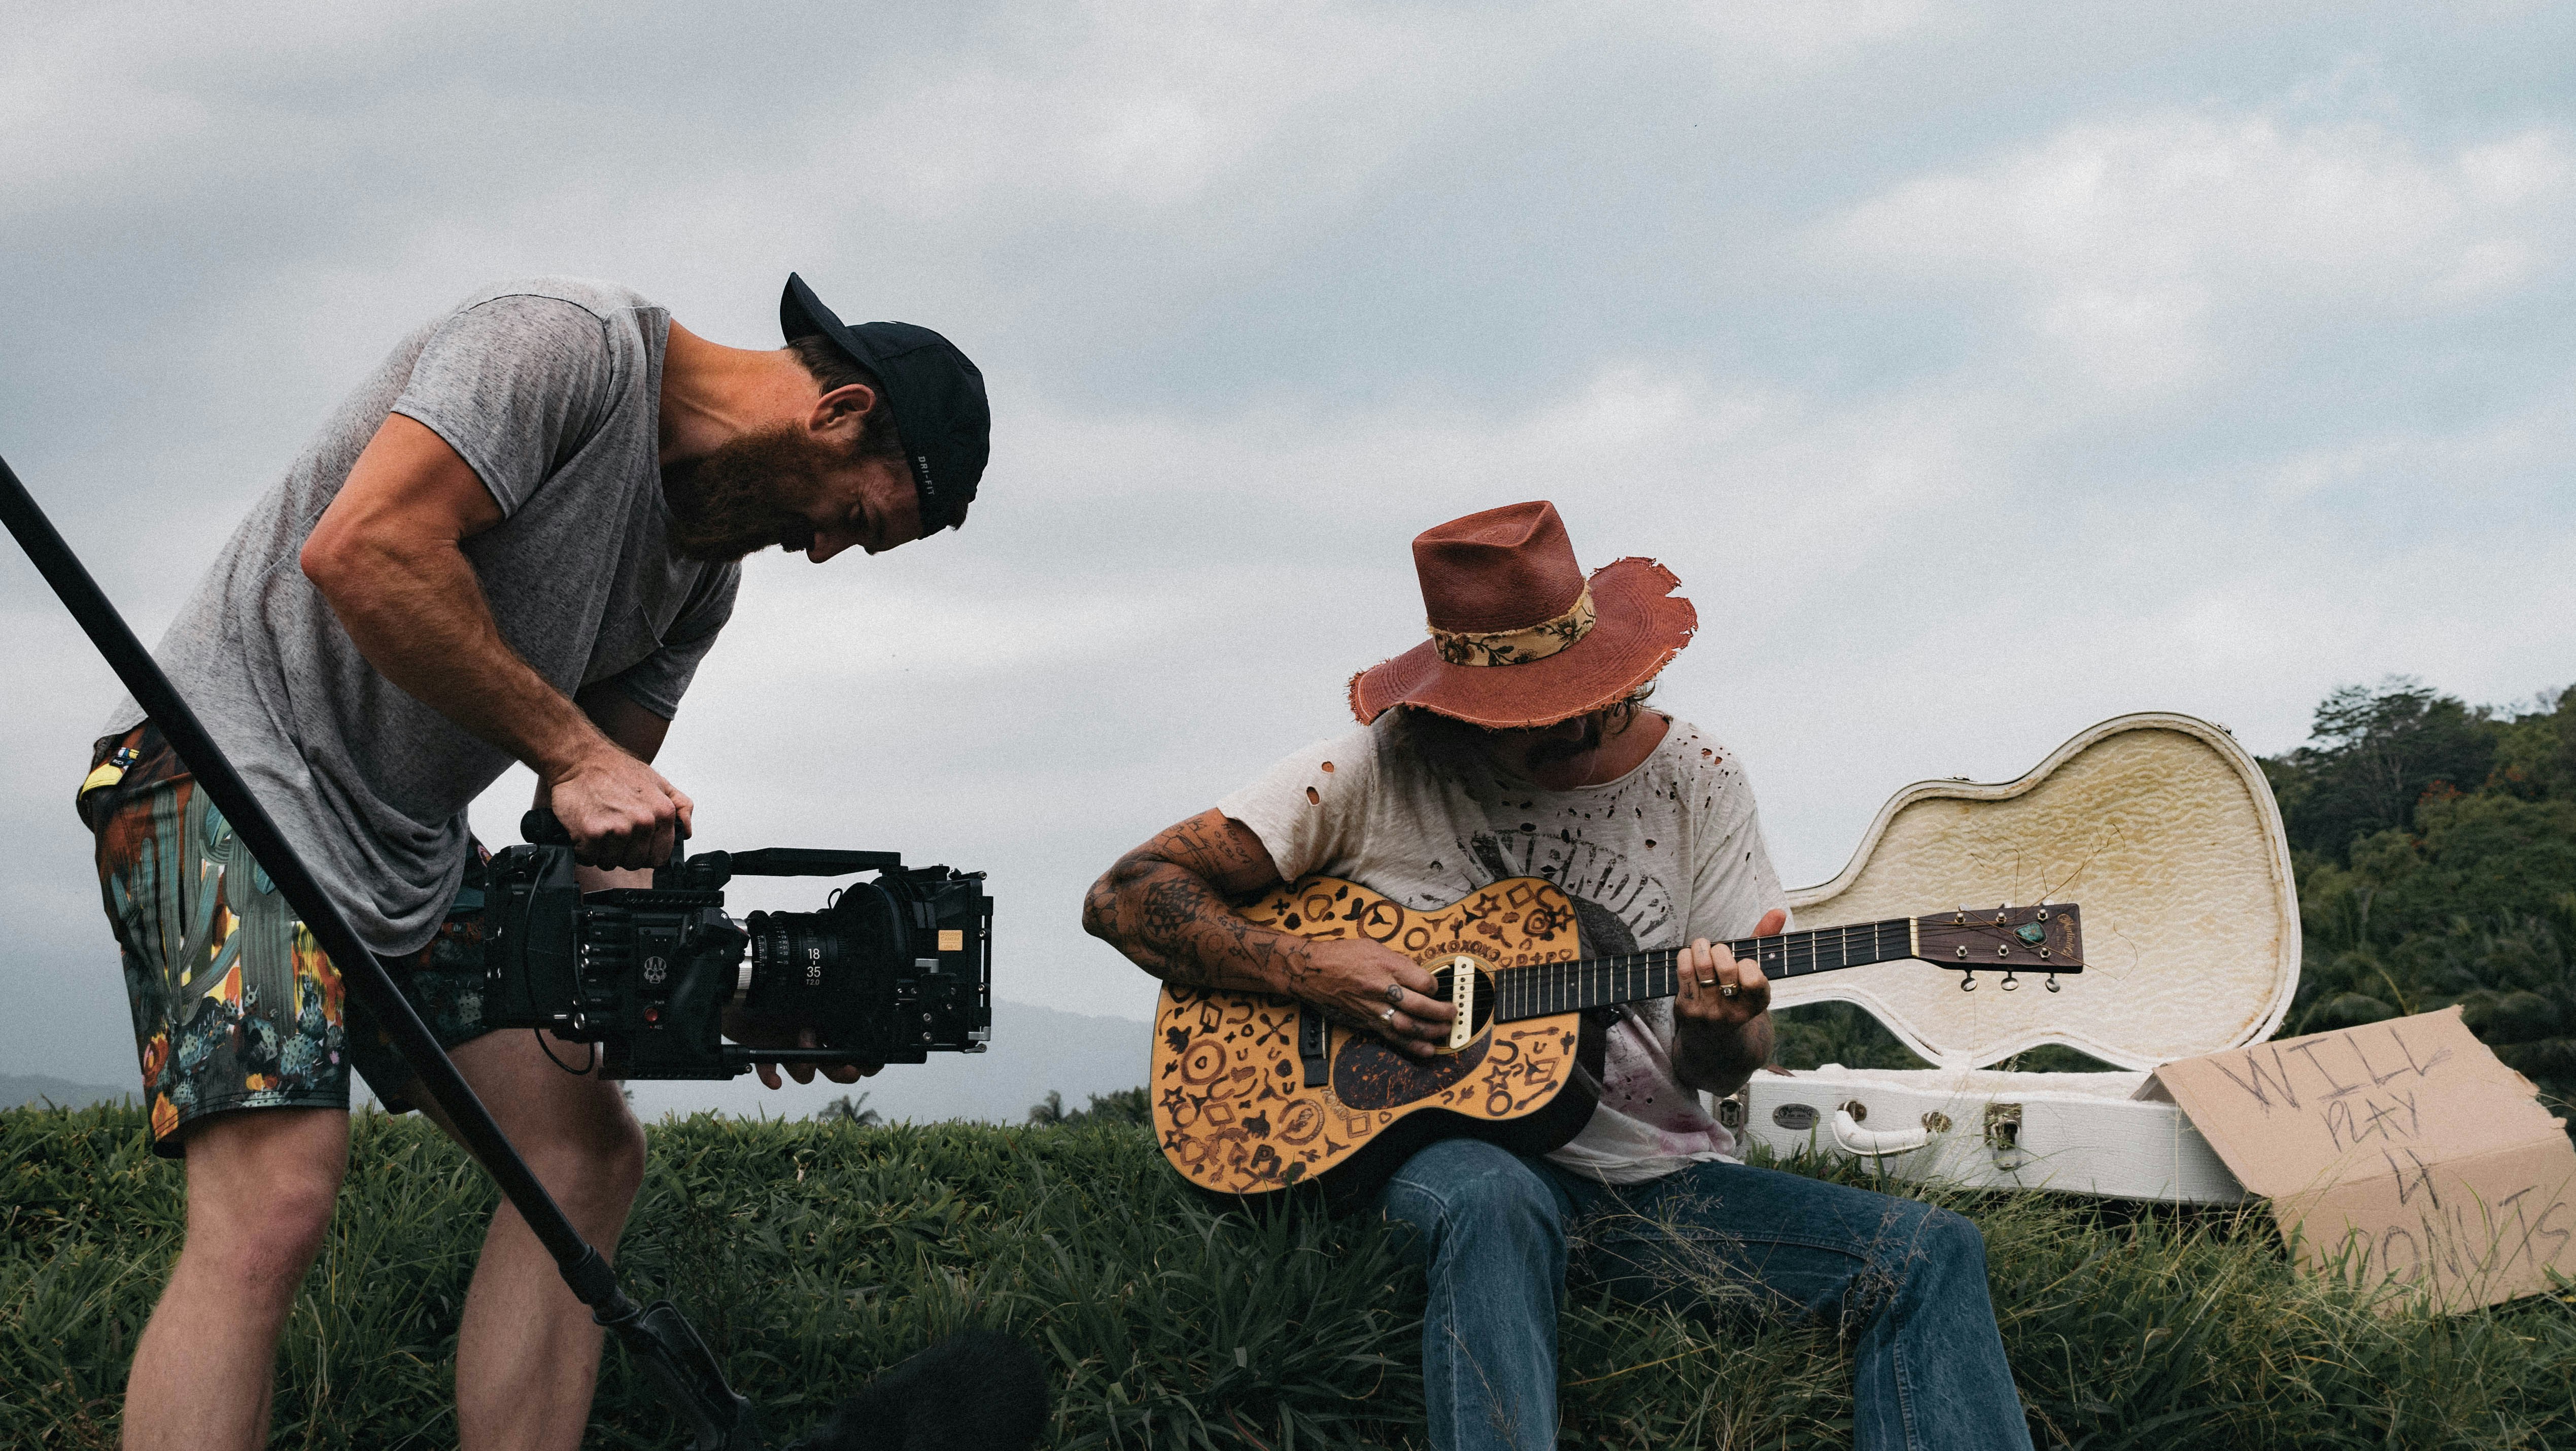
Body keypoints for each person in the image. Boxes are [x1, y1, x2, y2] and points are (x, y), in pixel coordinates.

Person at [76, 274, 988, 1451]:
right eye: (849, 521)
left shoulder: (702, 580)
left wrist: (720, 992)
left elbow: (597, 827)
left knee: (584, 1148)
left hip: (403, 849)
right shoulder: (558, 348)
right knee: (279, 1194)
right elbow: (362, 551)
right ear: (838, 409)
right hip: (217, 769)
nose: (818, 551)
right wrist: (569, 748)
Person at [1082, 501, 2033, 1451]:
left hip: (1649, 1180)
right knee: (1496, 1197)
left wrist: (1715, 1023)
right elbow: (1127, 893)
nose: (1580, 734)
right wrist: (1316, 971)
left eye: (1594, 701)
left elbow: (1723, 1068)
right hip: (1438, 1165)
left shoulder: (1696, 777)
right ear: (1460, 709)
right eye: (1537, 721)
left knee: (1929, 1255)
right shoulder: (1379, 769)